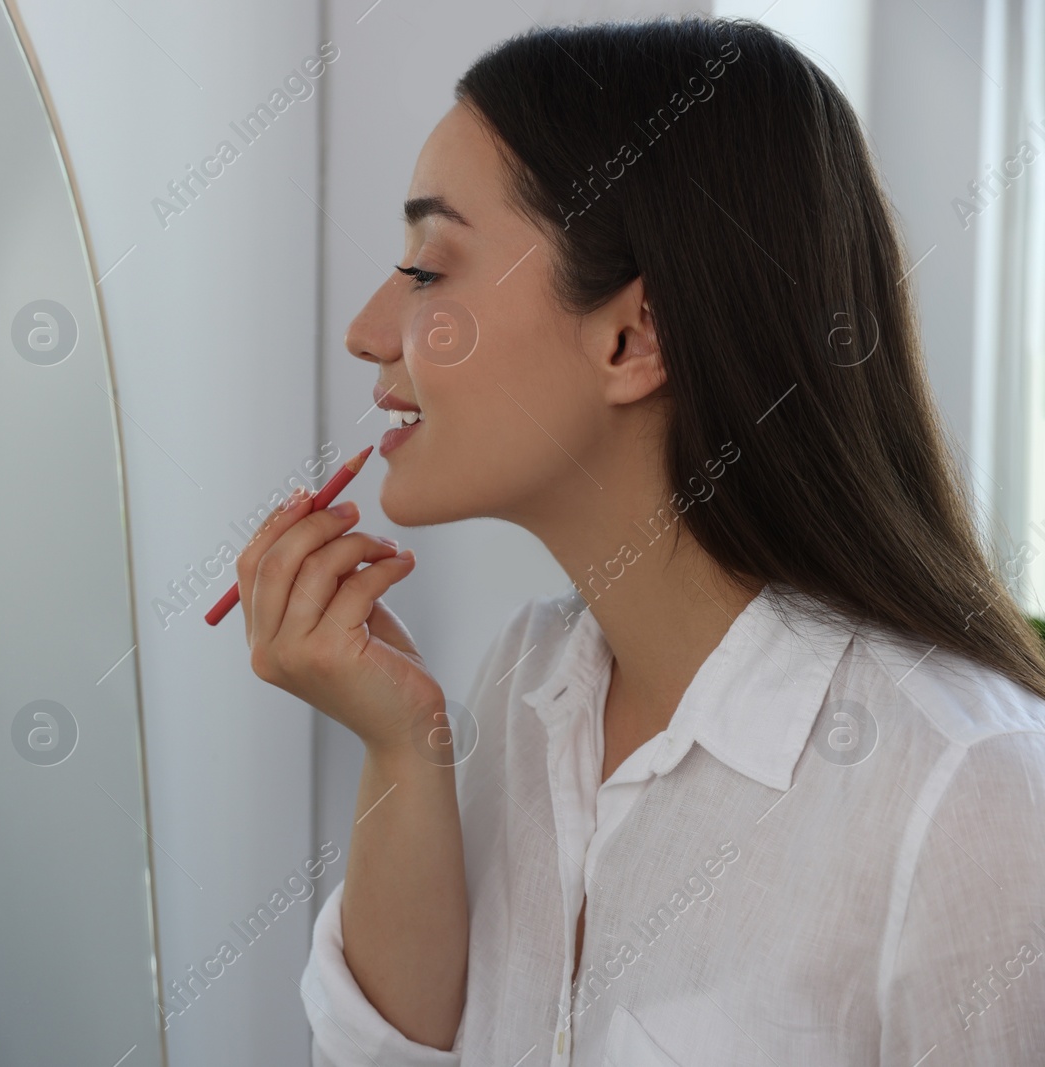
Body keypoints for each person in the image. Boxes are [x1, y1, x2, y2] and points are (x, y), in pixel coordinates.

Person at [234, 16, 1045, 1066]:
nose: (366, 327)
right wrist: (402, 748)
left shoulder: (972, 793)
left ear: (633, 336)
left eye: (430, 269)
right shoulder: (522, 688)